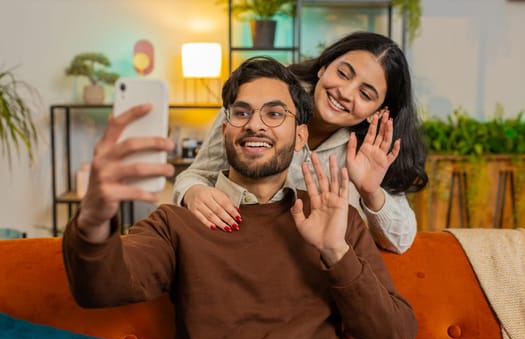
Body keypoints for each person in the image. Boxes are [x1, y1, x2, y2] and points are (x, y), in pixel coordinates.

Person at [63, 57, 417, 339]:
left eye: (275, 114)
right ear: (225, 129)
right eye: (242, 112)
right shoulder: (176, 223)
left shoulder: (338, 221)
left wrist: (336, 252)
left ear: (300, 137)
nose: (256, 125)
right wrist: (93, 218)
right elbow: (99, 289)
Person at [172, 32, 428, 254]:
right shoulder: (261, 98)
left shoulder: (370, 151)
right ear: (323, 67)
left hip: (308, 265)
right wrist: (193, 193)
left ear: (377, 111)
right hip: (237, 244)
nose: (345, 92)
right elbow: (197, 175)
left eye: (365, 94)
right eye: (342, 73)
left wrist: (370, 192)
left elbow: (401, 240)